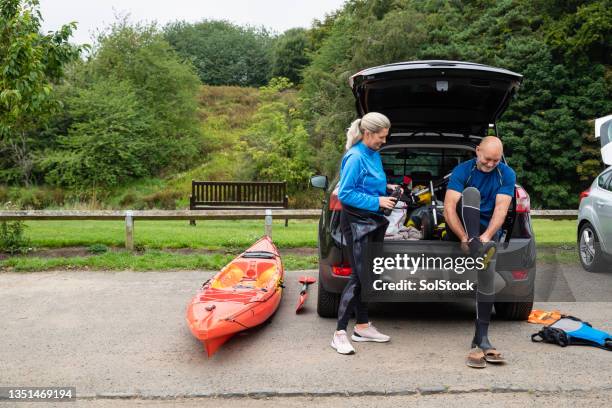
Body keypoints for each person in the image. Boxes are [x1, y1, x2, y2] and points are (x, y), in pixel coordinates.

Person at [443, 136, 516, 368]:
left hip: (486, 234)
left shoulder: (507, 174)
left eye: (496, 160)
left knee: (486, 275)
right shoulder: (462, 171)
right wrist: (465, 238)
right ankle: (477, 248)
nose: (491, 164)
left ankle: (481, 338)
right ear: (477, 151)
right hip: (460, 228)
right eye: (487, 159)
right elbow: (448, 208)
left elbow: (501, 210)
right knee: (471, 194)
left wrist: (484, 239)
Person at [331, 112, 400, 355]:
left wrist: (387, 188)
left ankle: (362, 326)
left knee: (366, 274)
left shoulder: (373, 154)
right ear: (368, 133)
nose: (384, 140)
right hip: (357, 224)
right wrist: (378, 200)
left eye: (386, 136)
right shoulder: (355, 157)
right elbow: (346, 194)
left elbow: (367, 183)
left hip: (372, 221)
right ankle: (339, 333)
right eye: (381, 137)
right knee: (359, 277)